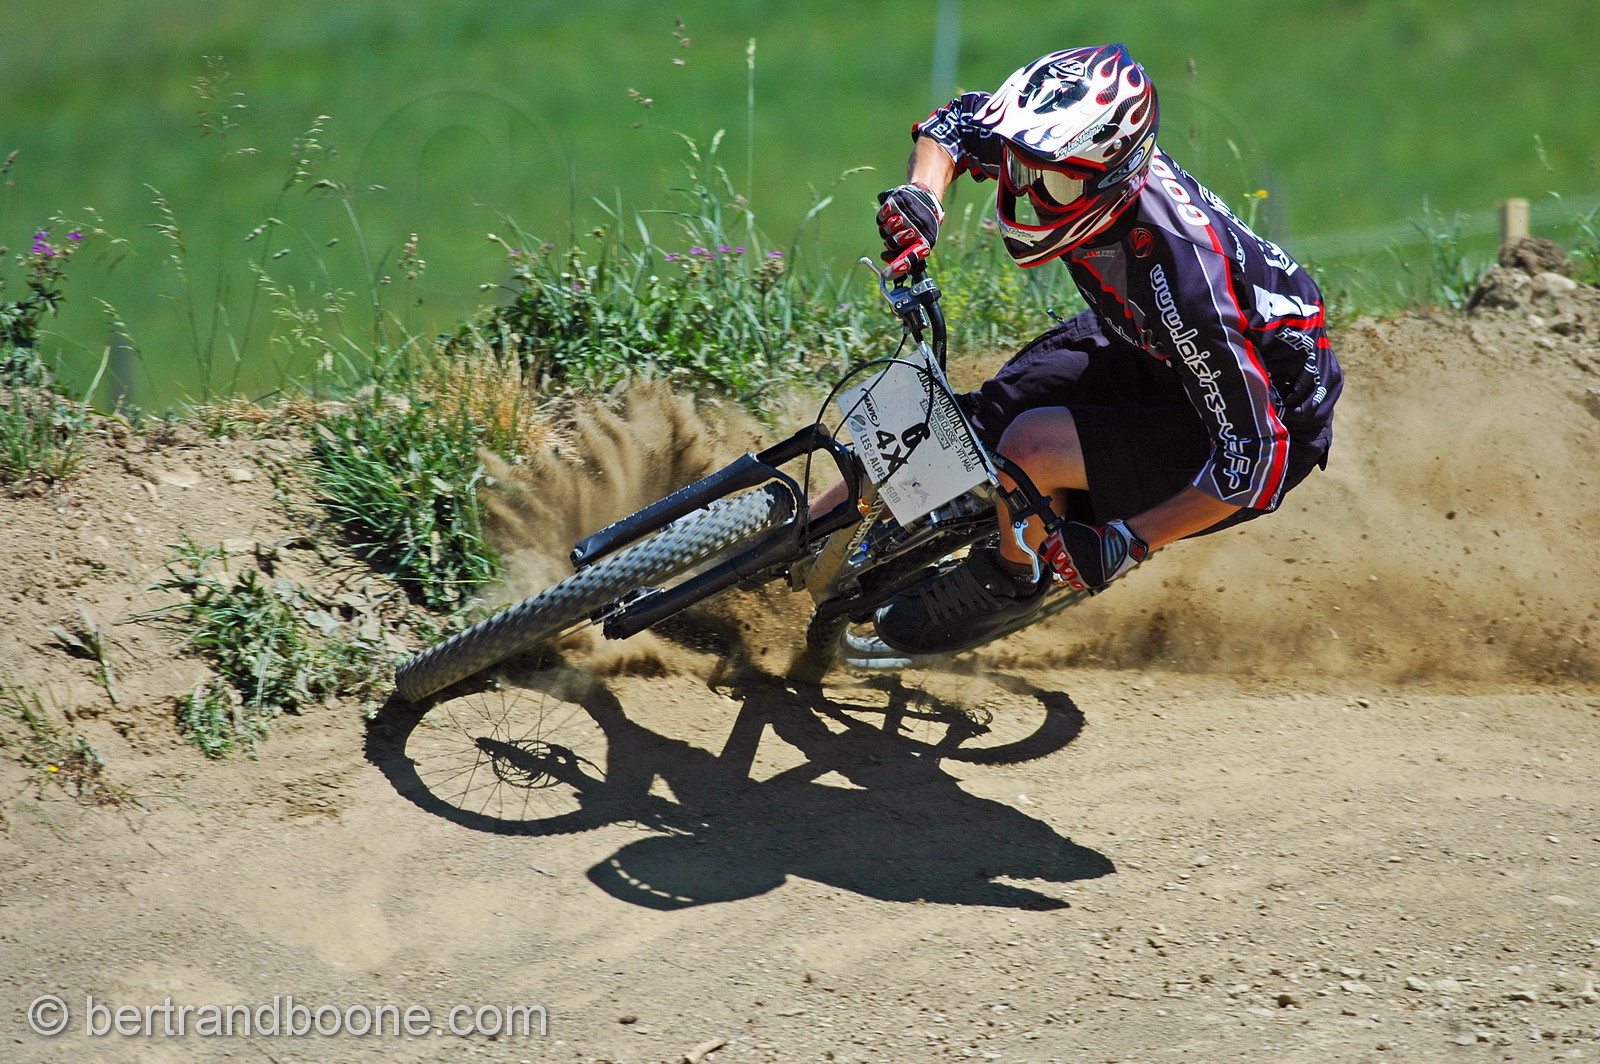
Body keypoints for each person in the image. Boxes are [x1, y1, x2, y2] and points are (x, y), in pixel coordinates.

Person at [864, 43, 1343, 655]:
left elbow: (1258, 457)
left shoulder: (1186, 285)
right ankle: (801, 541)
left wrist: (1128, 539)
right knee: (961, 423)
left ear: (1113, 178)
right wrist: (924, 195)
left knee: (1029, 445)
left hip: (1258, 417)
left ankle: (1016, 574)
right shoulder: (1067, 153)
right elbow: (954, 126)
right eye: (1026, 169)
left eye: (1056, 184)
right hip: (1157, 345)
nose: (1033, 193)